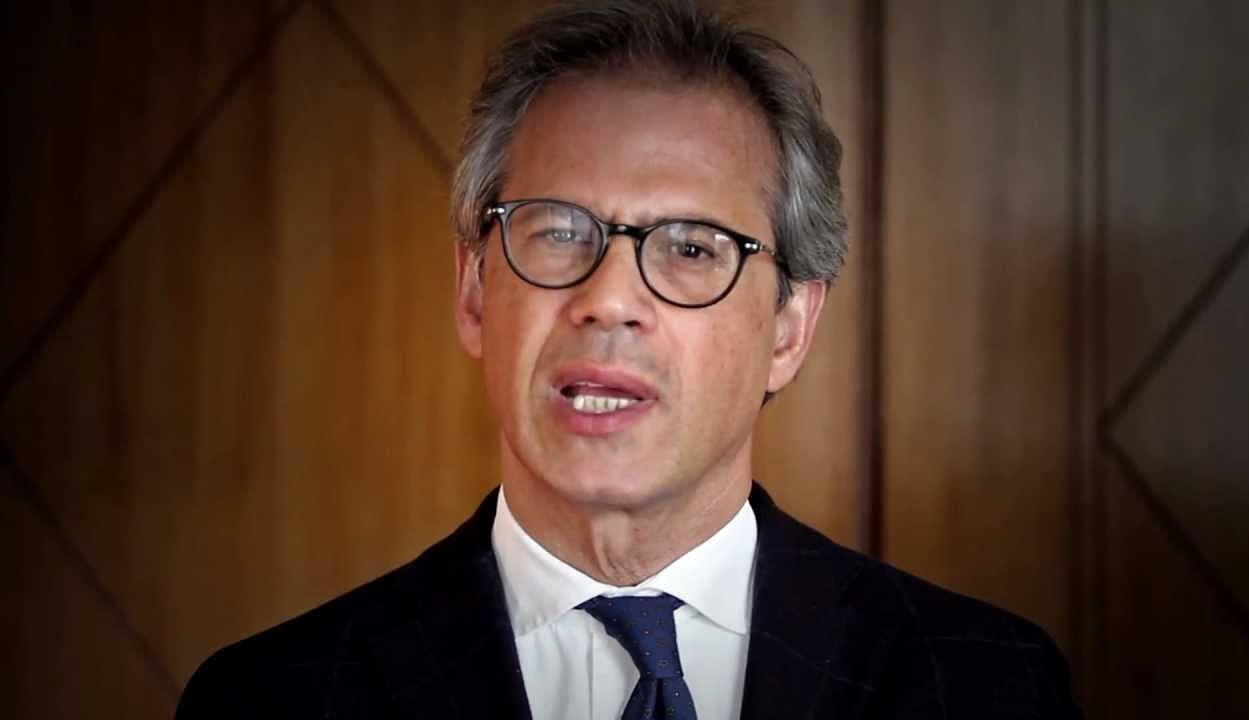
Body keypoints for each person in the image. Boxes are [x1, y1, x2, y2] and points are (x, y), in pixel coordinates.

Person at [177, 1, 1078, 717]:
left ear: (789, 328)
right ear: (475, 291)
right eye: (558, 231)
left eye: (690, 248)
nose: (608, 299)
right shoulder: (272, 699)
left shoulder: (988, 686)